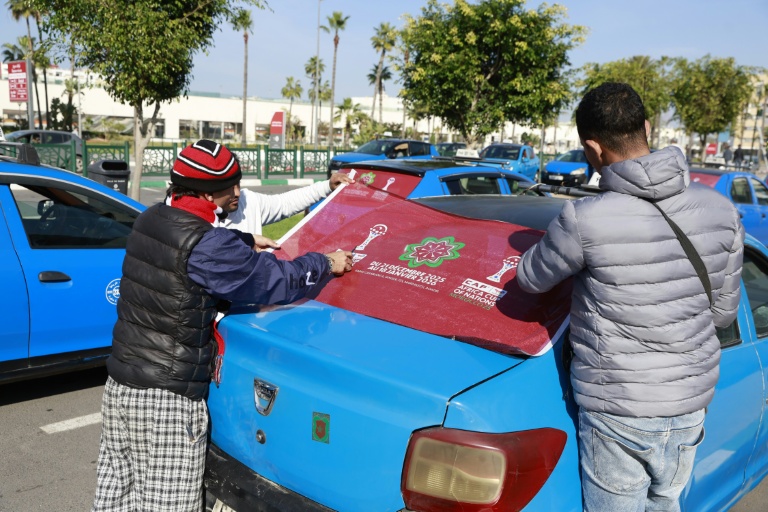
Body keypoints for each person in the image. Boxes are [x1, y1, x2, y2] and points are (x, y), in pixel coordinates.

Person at [515, 83, 744, 512]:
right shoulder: (721, 210)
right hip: (690, 407)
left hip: (618, 410)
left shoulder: (583, 221)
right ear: (647, 127)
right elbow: (723, 312)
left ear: (593, 148)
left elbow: (529, 280)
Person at [91, 139, 353, 512]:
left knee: (119, 496)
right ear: (208, 192)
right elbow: (274, 280)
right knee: (169, 504)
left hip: (121, 388)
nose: (237, 192)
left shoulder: (152, 219)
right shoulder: (208, 247)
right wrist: (325, 263)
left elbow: (191, 242)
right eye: (232, 185)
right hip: (167, 399)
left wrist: (243, 239)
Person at [222, 165, 353, 235]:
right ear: (207, 193)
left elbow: (285, 203)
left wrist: (327, 186)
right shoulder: (202, 229)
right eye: (229, 188)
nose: (237, 193)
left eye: (238, 184)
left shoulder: (248, 201)